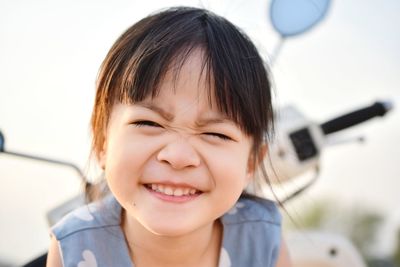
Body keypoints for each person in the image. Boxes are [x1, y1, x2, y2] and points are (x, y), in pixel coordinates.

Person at [47, 6, 291, 267]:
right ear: (102, 143)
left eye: (215, 134)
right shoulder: (75, 246)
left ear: (251, 163)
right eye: (149, 122)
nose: (178, 157)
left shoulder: (262, 239)